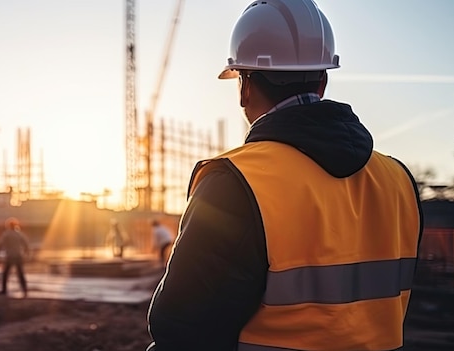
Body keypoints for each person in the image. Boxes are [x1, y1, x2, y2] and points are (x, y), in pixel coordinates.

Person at [145, 1, 423, 350]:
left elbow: (179, 328)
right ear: (322, 80)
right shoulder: (398, 180)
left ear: (245, 87)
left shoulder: (235, 183)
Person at [0, 217, 30, 298]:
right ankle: (25, 290)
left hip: (10, 256)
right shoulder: (19, 234)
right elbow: (25, 243)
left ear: (8, 226)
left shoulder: (6, 234)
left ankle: (4, 290)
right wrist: (26, 251)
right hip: (18, 256)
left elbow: (1, 244)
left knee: (5, 274)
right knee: (20, 274)